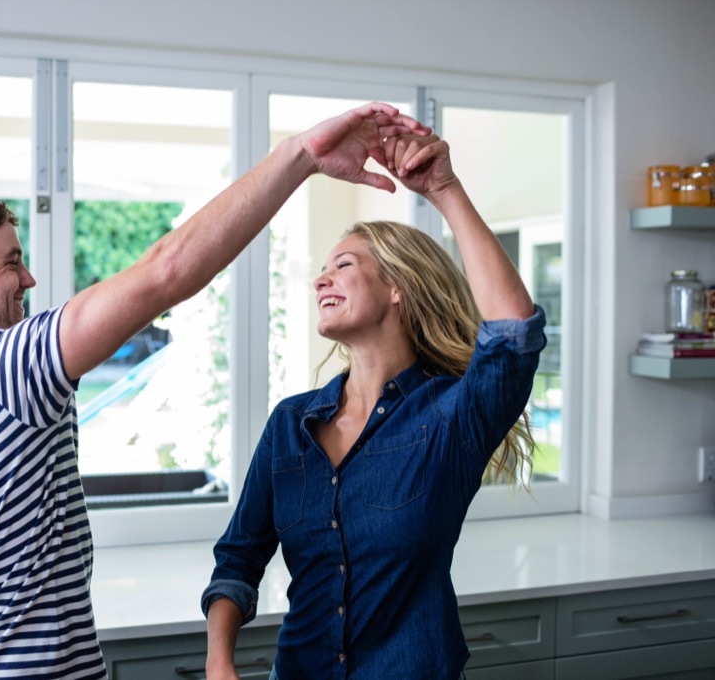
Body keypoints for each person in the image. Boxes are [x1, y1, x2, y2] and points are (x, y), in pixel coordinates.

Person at [0, 102, 429, 679]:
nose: (28, 279)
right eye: (10, 263)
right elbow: (167, 271)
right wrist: (302, 155)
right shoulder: (4, 369)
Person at [201, 132, 547, 679]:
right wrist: (220, 661)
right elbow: (239, 558)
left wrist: (445, 189)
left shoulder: (449, 420)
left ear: (397, 287)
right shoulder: (290, 426)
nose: (321, 279)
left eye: (341, 265)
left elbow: (512, 335)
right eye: (323, 270)